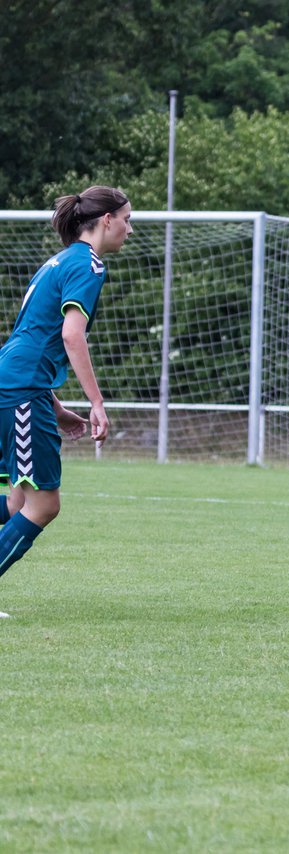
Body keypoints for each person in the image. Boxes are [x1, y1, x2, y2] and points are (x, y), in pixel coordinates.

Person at [0, 186, 130, 617]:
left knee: (19, 503)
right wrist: (96, 402)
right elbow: (69, 336)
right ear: (106, 220)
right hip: (20, 389)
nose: (129, 229)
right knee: (44, 504)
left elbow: (33, 337)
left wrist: (55, 408)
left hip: (19, 383)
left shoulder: (58, 262)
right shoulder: (88, 265)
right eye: (127, 219)